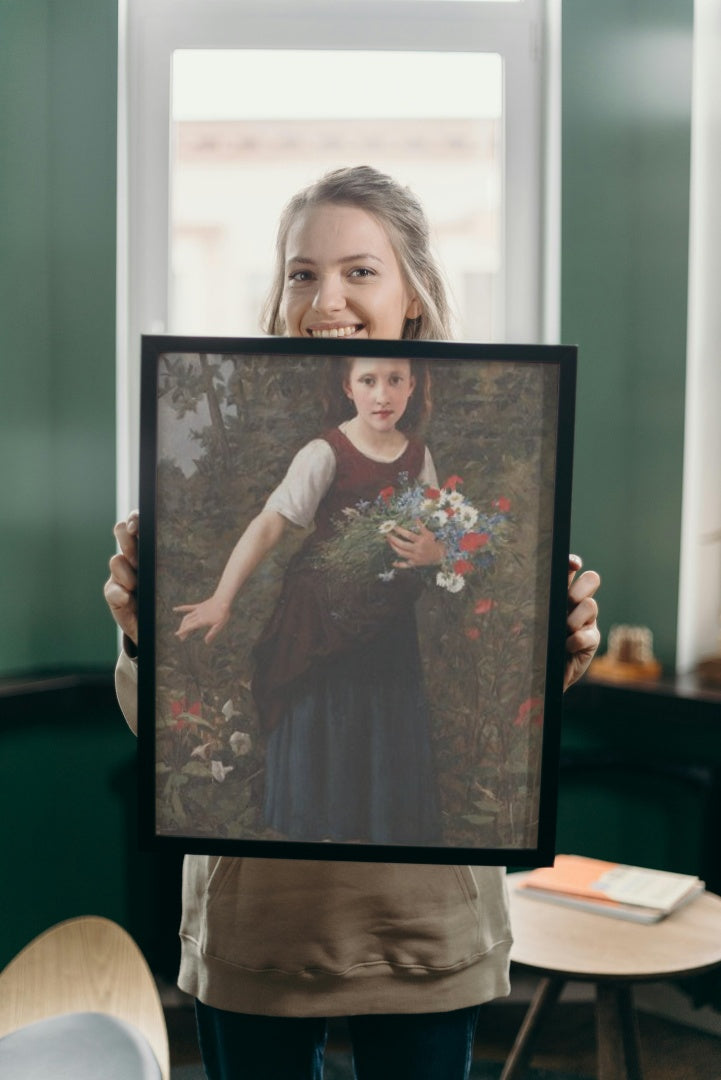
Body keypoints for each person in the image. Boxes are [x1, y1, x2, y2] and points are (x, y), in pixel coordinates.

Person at [105, 166, 601, 1080]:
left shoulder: (428, 450)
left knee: (380, 749)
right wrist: (160, 626)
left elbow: (457, 566)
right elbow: (258, 543)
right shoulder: (313, 450)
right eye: (301, 272)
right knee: (313, 744)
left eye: (359, 271)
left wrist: (553, 644)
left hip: (422, 923)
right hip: (261, 925)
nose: (325, 297)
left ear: (412, 295)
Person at [174, 353, 443, 846]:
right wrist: (221, 598)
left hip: (387, 627)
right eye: (368, 380)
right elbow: (270, 524)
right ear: (348, 386)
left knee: (381, 730)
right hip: (322, 619)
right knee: (326, 724)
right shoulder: (326, 452)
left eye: (394, 380)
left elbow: (442, 532)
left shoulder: (417, 455)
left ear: (411, 387)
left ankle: (377, 842)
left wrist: (434, 551)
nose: (381, 394)